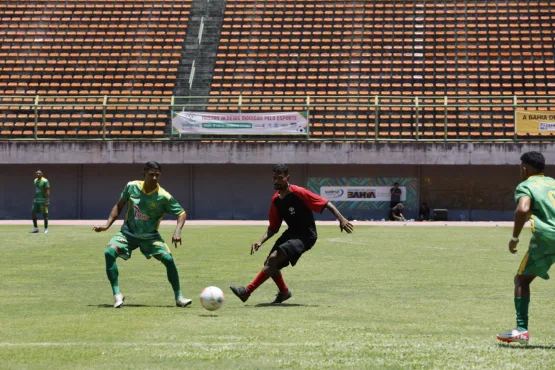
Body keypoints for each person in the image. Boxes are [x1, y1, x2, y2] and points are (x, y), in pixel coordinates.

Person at [230, 164, 354, 304]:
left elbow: (325, 203)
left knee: (272, 260)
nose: (276, 181)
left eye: (279, 178)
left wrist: (341, 218)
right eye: (274, 178)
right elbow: (273, 228)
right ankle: (284, 292)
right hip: (292, 232)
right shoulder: (275, 200)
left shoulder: (298, 192)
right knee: (269, 264)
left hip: (306, 235)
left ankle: (247, 292)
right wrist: (260, 241)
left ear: (287, 178)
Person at [93, 161, 192, 308]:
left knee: (168, 260)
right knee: (109, 252)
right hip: (128, 234)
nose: (154, 178)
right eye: (151, 175)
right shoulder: (131, 187)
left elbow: (181, 213)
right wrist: (106, 225)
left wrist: (178, 231)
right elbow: (119, 205)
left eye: (157, 175)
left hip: (150, 237)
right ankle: (117, 295)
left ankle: (179, 297)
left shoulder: (163, 196)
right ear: (143, 174)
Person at [497, 152, 555, 344]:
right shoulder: (553, 183)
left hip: (547, 237)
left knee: (522, 280)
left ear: (525, 168)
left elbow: (522, 209)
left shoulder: (526, 185)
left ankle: (521, 329)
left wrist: (514, 238)